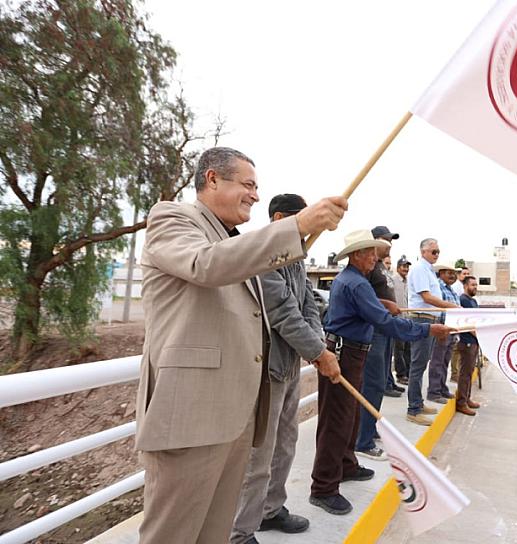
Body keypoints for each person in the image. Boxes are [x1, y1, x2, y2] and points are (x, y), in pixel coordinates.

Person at [136, 147, 345, 544]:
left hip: (235, 419)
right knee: (173, 534)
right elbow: (205, 264)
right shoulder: (172, 218)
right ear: (212, 179)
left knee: (215, 532)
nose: (255, 195)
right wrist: (297, 226)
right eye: (248, 185)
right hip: (191, 418)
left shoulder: (234, 242)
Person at [310, 230, 452, 515]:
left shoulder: (354, 280)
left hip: (351, 352)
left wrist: (382, 305)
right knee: (337, 420)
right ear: (356, 255)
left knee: (349, 415)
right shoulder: (356, 284)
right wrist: (427, 329)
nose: (375, 258)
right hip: (345, 353)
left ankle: (346, 464)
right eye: (370, 253)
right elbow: (386, 324)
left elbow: (372, 312)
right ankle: (323, 487)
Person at [230, 194, 327, 544]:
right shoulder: (264, 255)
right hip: (266, 370)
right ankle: (240, 531)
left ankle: (271, 510)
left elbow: (308, 304)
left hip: (290, 367)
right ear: (279, 218)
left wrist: (318, 343)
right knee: (260, 454)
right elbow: (283, 313)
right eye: (301, 218)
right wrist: (318, 353)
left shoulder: (295, 257)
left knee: (286, 443)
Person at [355, 225, 402, 464]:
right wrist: (386, 305)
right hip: (374, 331)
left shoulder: (382, 267)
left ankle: (369, 427)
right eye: (385, 240)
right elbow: (363, 296)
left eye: (390, 241)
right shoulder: (368, 267)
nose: (389, 244)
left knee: (380, 382)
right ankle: (362, 441)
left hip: (385, 329)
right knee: (372, 384)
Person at [405, 238, 459, 425]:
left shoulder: (428, 270)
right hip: (422, 319)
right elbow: (427, 297)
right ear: (423, 252)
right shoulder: (420, 269)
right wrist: (451, 306)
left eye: (438, 252)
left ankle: (418, 403)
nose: (436, 255)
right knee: (417, 365)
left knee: (422, 364)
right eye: (433, 251)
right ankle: (413, 409)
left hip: (430, 319)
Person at [426, 262, 460, 404]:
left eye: (454, 273)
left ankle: (442, 388)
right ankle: (433, 392)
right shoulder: (438, 288)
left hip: (451, 329)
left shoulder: (451, 290)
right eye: (449, 273)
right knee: (437, 361)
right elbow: (439, 307)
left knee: (445, 361)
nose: (453, 276)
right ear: (441, 273)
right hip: (442, 328)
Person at [456, 276, 482, 416]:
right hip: (467, 341)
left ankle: (467, 398)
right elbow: (465, 321)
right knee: (465, 373)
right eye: (473, 285)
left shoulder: (473, 301)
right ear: (465, 286)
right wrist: (477, 335)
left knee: (470, 371)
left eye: (476, 285)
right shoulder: (463, 300)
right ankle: (461, 403)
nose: (475, 287)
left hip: (474, 341)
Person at [391, 256, 411, 385]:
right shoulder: (393, 281)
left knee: (408, 348)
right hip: (397, 319)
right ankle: (401, 374)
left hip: (407, 319)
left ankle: (407, 373)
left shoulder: (408, 282)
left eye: (407, 267)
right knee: (399, 348)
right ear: (398, 268)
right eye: (404, 266)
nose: (406, 269)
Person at [449, 266, 470, 382]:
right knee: (456, 349)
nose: (466, 275)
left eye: (467, 274)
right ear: (459, 275)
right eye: (464, 273)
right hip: (457, 320)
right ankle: (454, 373)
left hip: (464, 320)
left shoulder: (466, 286)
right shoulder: (456, 287)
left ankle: (458, 372)